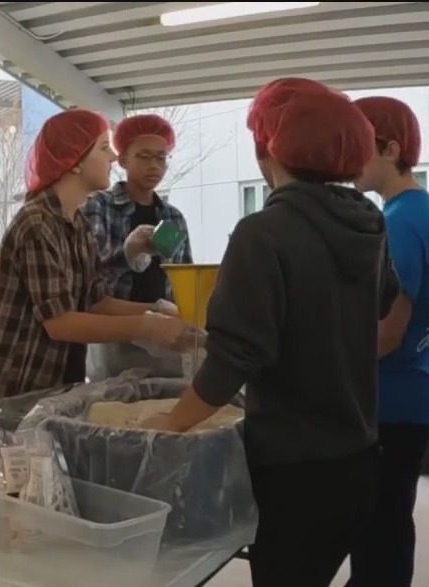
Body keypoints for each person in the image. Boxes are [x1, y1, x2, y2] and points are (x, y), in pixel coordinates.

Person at [139, 78, 398, 587]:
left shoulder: (264, 232)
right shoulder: (369, 221)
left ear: (267, 153)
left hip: (295, 469)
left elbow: (236, 356)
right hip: (361, 454)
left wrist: (171, 422)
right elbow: (385, 301)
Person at [0, 109, 193, 400]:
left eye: (161, 156)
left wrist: (161, 310)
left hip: (57, 379)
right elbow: (60, 322)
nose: (113, 159)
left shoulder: (76, 222)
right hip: (18, 381)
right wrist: (146, 325)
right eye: (104, 148)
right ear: (74, 160)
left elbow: (96, 301)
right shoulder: (38, 223)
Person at [346, 96, 429, 587]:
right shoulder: (420, 210)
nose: (348, 162)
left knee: (377, 528)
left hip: (390, 397)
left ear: (391, 148)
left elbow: (388, 333)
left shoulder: (396, 223)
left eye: (358, 149)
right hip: (415, 390)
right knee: (394, 520)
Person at [83, 114, 192, 302]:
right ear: (123, 160)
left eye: (161, 158)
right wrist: (127, 254)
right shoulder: (100, 207)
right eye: (144, 156)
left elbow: (185, 281)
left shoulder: (174, 217)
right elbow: (87, 279)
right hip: (112, 326)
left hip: (164, 326)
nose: (154, 166)